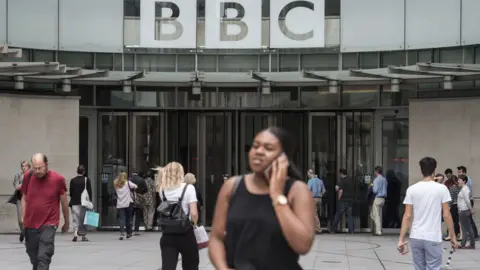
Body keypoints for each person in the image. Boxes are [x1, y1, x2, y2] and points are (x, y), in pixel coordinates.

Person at [209, 127, 315, 270]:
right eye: (255, 146)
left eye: (268, 148)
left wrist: (277, 195)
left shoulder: (297, 190)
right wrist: (223, 268)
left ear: (283, 158)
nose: (258, 151)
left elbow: (303, 245)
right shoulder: (232, 186)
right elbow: (216, 237)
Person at [398, 157, 458, 270]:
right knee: (433, 267)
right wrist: (453, 236)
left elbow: (407, 215)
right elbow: (446, 215)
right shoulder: (442, 189)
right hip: (433, 236)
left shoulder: (412, 189)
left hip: (416, 236)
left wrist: (401, 239)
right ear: (434, 169)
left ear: (421, 170)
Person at [21, 153, 69, 270]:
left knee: (44, 256)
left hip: (49, 223)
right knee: (34, 257)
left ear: (46, 165)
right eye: (35, 168)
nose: (37, 171)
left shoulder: (58, 179)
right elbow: (24, 197)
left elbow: (64, 202)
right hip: (30, 223)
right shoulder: (28, 176)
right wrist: (23, 217)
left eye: (40, 168)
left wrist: (66, 222)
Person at [158, 162, 199, 270]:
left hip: (167, 234)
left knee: (168, 267)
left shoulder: (162, 190)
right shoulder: (189, 188)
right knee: (191, 265)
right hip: (186, 233)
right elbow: (194, 213)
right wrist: (194, 224)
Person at [69, 164, 92, 242]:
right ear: (84, 172)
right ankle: (83, 236)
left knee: (75, 219)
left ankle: (75, 234)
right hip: (84, 203)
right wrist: (90, 202)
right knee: (83, 219)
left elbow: (71, 192)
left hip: (74, 202)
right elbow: (89, 192)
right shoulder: (86, 180)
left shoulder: (73, 180)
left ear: (77, 171)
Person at [329, 169, 355, 234]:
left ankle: (332, 229)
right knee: (350, 216)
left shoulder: (342, 181)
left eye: (340, 174)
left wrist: (339, 198)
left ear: (341, 174)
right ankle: (351, 231)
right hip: (350, 200)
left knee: (338, 215)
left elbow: (340, 191)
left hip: (343, 200)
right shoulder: (350, 180)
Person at [114, 172, 138, 240]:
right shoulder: (127, 183)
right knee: (129, 218)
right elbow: (136, 186)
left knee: (122, 219)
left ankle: (122, 234)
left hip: (120, 203)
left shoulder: (116, 184)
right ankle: (129, 233)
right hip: (128, 203)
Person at [457, 165, 478, 239]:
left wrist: (471, 208)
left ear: (464, 172)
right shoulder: (463, 180)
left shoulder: (467, 180)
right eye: (458, 172)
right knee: (468, 219)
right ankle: (472, 235)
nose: (458, 173)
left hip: (468, 200)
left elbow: (466, 196)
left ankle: (474, 235)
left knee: (468, 219)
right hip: (466, 201)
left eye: (460, 172)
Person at [12, 160, 31, 243]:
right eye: (22, 166)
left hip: (31, 200)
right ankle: (23, 231)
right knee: (20, 220)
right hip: (20, 199)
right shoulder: (18, 175)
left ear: (29, 167)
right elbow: (16, 186)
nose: (24, 167)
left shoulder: (33, 176)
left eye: (25, 166)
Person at [457, 175, 475, 249]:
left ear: (464, 181)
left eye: (459, 180)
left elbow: (467, 200)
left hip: (464, 211)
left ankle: (472, 244)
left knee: (468, 228)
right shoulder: (463, 189)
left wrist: (471, 209)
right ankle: (463, 243)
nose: (458, 181)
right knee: (464, 228)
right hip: (462, 211)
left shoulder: (465, 189)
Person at [307, 169, 325, 234]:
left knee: (314, 214)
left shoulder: (310, 181)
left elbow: (308, 190)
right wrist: (320, 195)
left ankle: (318, 229)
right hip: (319, 199)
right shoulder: (320, 181)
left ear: (310, 173)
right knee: (314, 213)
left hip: (313, 199)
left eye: (308, 174)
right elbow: (324, 190)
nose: (308, 175)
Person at [371, 166, 388, 236]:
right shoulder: (384, 179)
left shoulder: (376, 180)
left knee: (375, 215)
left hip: (377, 198)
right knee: (376, 214)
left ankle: (378, 230)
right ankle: (379, 227)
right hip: (383, 198)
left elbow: (375, 190)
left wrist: (371, 187)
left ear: (376, 172)